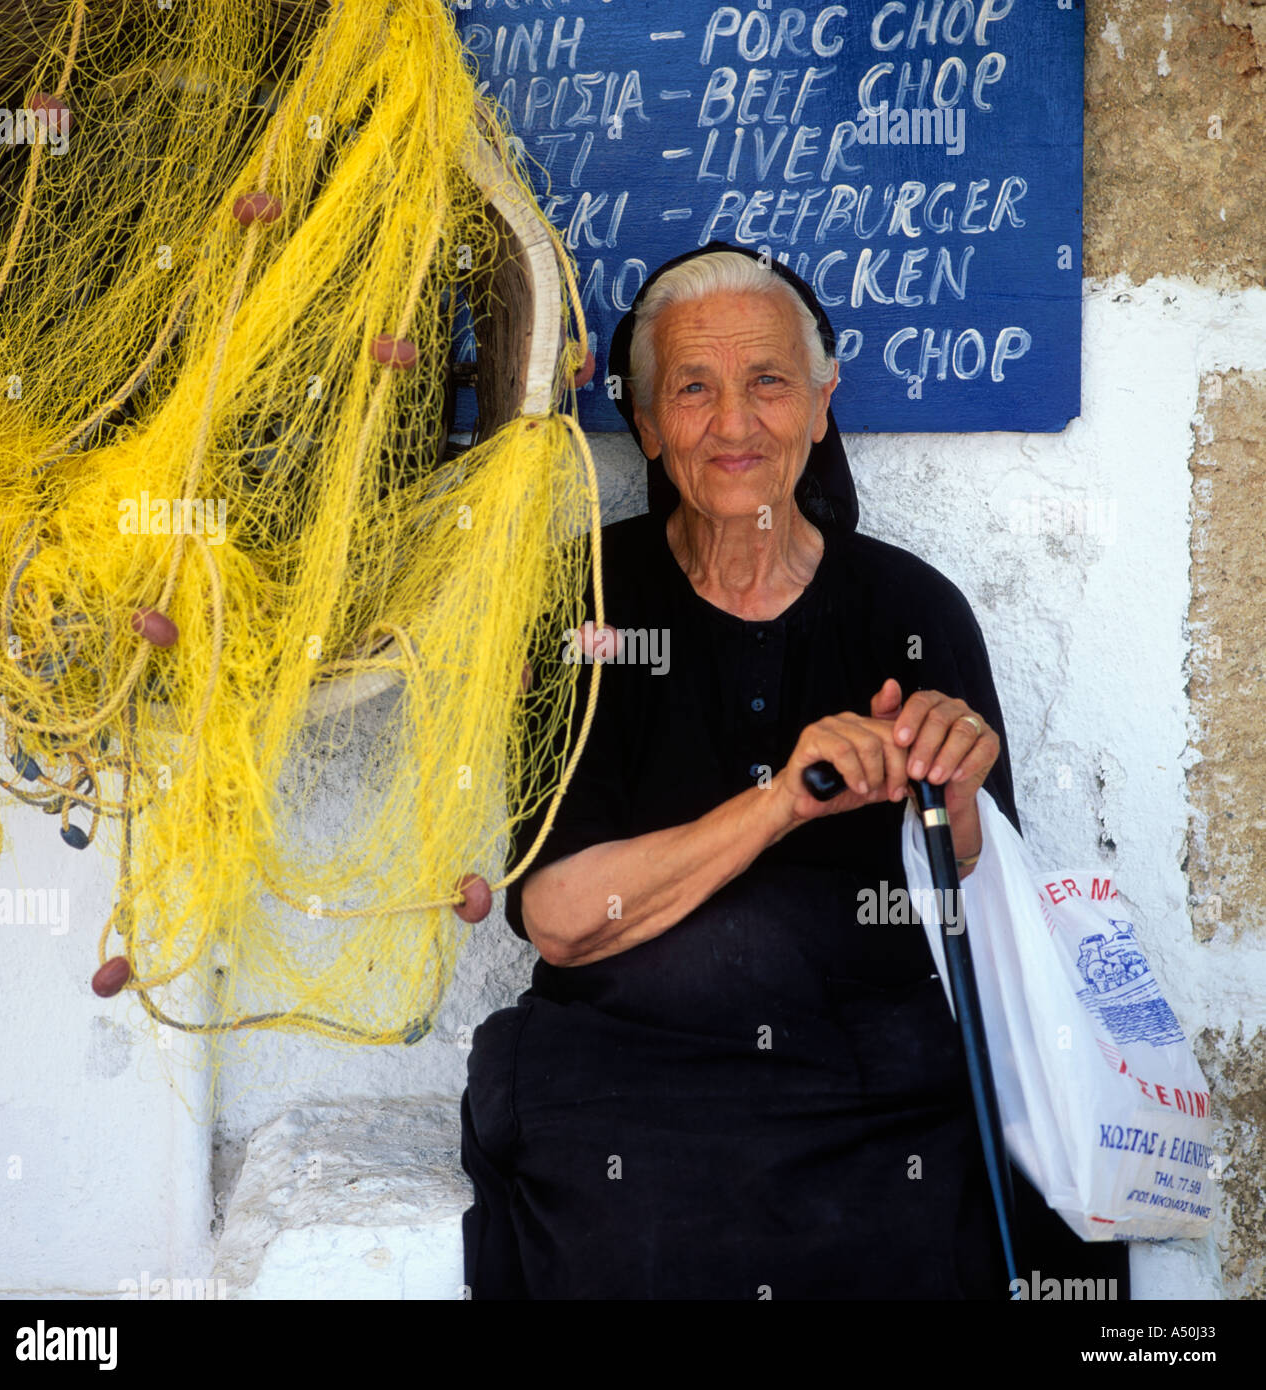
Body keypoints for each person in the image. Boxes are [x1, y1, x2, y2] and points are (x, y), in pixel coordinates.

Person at [459, 242, 1130, 1300]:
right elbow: (558, 914)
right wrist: (782, 802)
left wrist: (954, 801)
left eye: (768, 383)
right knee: (642, 1217)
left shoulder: (910, 611)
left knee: (991, 1211)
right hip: (636, 1073)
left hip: (876, 1077)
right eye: (693, 388)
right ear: (643, 422)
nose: (734, 424)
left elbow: (982, 912)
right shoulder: (585, 605)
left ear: (821, 407)